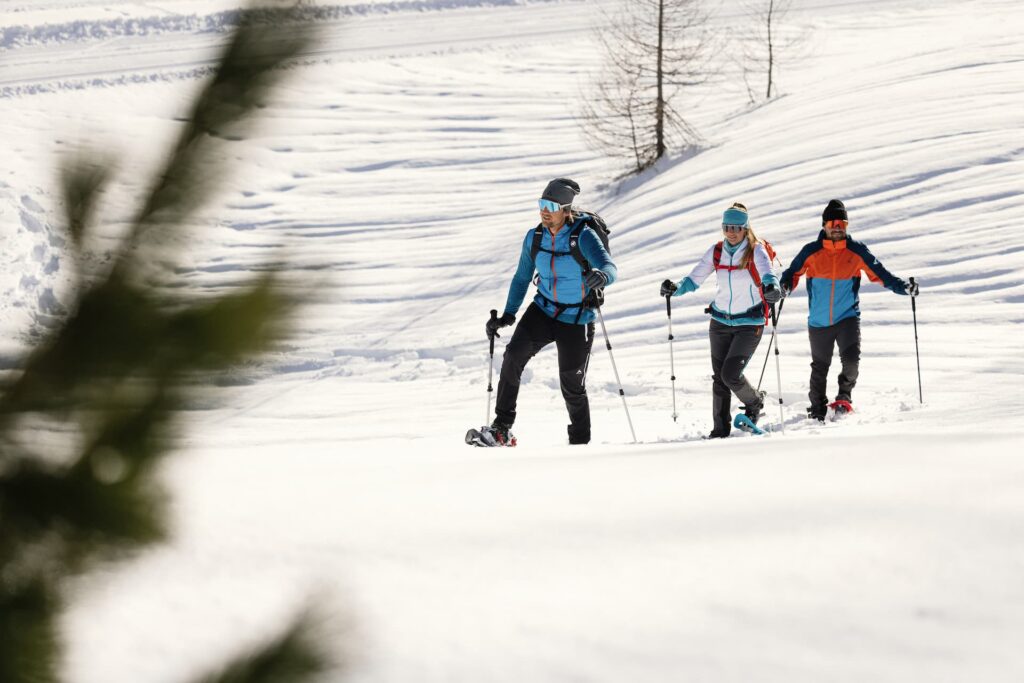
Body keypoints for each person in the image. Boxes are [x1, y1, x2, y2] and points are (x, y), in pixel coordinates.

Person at [479, 178, 617, 446]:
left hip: (577, 318)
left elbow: (610, 267)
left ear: (565, 210)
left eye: (551, 206)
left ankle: (580, 443)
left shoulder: (583, 236)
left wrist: (602, 277)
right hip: (543, 310)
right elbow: (521, 278)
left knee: (572, 385)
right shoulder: (535, 237)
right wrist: (508, 315)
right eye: (541, 204)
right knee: (512, 358)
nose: (544, 211)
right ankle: (501, 428)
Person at [779, 199, 917, 421]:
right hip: (819, 320)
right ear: (824, 225)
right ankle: (817, 408)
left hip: (847, 318)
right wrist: (784, 287)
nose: (837, 228)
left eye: (842, 224)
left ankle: (844, 397)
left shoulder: (856, 251)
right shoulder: (811, 251)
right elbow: (791, 273)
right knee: (820, 367)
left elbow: (881, 274)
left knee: (851, 361)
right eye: (833, 223)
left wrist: (903, 288)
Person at [660, 203, 781, 438]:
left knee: (730, 374)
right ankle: (720, 429)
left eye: (736, 227)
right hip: (720, 322)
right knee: (719, 378)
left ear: (745, 228)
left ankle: (754, 402)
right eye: (727, 227)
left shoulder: (755, 251)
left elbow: (768, 274)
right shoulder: (716, 251)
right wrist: (675, 288)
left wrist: (772, 288)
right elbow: (694, 279)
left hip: (749, 322)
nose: (731, 232)